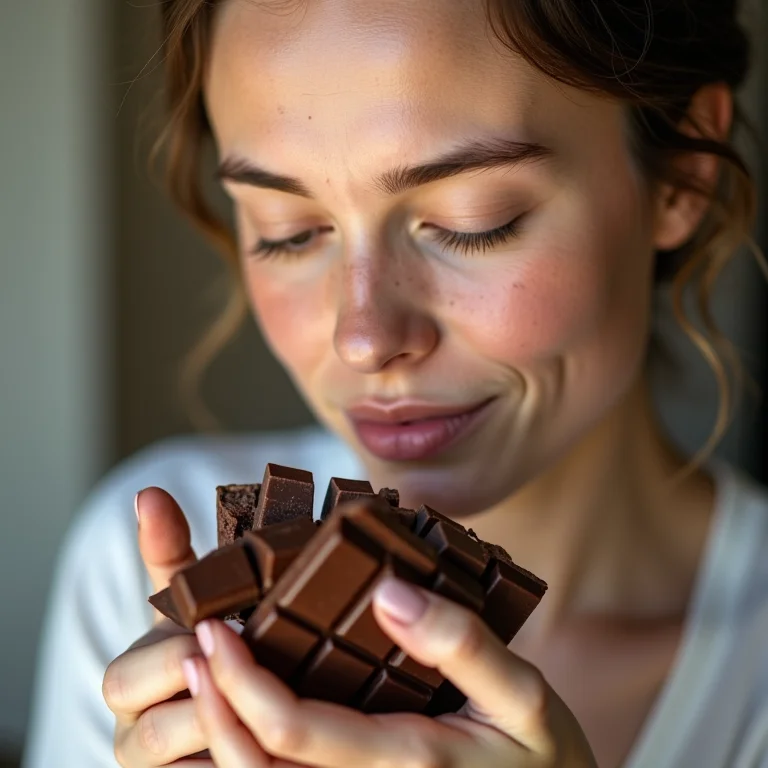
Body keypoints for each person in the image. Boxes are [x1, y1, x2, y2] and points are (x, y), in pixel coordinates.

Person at [22, 0, 768, 766]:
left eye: (471, 221)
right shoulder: (137, 581)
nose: (365, 338)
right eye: (288, 231)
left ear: (684, 174)